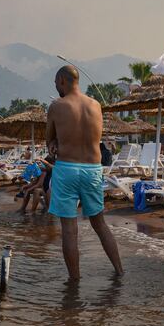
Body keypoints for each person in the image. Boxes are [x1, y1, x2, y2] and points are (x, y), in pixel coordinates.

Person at [47, 65, 123, 279]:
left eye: (55, 83)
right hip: (92, 170)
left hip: (67, 168)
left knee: (69, 230)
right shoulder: (96, 105)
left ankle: (74, 282)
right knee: (100, 224)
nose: (55, 87)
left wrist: (53, 143)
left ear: (62, 80)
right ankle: (119, 271)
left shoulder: (56, 106)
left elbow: (49, 141)